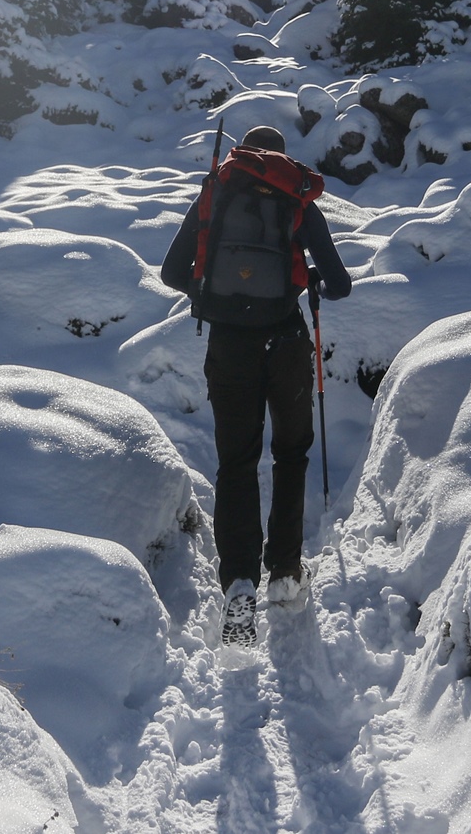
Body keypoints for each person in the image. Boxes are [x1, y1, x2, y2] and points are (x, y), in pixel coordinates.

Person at [160, 125, 353, 648]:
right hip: (287, 342)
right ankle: (286, 573)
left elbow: (171, 272)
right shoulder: (294, 196)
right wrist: (304, 278)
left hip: (229, 346)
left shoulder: (217, 190)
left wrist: (213, 289)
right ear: (280, 159)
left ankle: (239, 579)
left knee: (237, 461)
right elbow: (340, 284)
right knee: (291, 452)